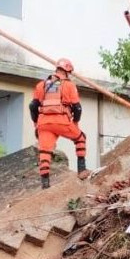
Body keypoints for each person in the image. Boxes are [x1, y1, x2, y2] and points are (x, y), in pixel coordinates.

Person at [29, 58, 88, 189]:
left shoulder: (41, 85)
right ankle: (82, 170)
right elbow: (77, 108)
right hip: (61, 121)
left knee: (44, 151)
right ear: (67, 71)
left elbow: (33, 106)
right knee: (80, 138)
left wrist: (35, 123)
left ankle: (45, 184)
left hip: (44, 123)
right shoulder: (69, 85)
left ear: (57, 69)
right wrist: (76, 123)